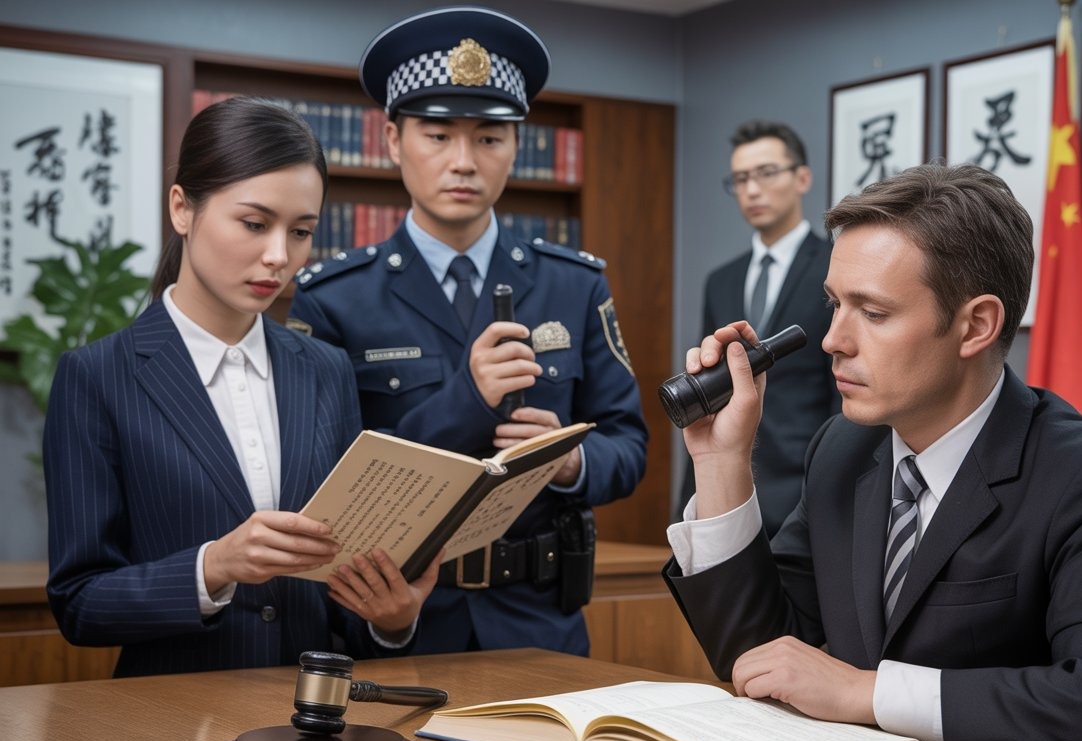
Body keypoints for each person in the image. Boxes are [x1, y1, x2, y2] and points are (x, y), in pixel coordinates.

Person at [664, 162, 1082, 741]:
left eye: (874, 313)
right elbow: (759, 658)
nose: (834, 339)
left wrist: (868, 692)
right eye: (835, 305)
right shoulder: (844, 449)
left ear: (977, 325)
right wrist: (722, 459)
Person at [288, 7, 647, 656]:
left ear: (517, 146)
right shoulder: (333, 298)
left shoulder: (575, 283)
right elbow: (324, 481)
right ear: (393, 141)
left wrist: (571, 462)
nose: (463, 161)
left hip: (541, 623)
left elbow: (628, 444)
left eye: (488, 137)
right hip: (400, 622)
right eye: (437, 135)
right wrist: (468, 401)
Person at [44, 97, 438, 677]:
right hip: (168, 728)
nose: (279, 257)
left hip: (312, 727)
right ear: (183, 208)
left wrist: (390, 619)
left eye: (300, 231)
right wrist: (215, 565)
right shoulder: (97, 376)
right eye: (254, 224)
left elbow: (340, 592)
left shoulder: (326, 369)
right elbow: (79, 603)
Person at [679, 120, 837, 536]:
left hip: (810, 490)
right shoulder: (722, 280)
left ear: (802, 177)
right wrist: (688, 503)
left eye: (767, 173)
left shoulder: (835, 267)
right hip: (732, 489)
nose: (752, 190)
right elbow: (708, 389)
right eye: (740, 179)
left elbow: (842, 391)